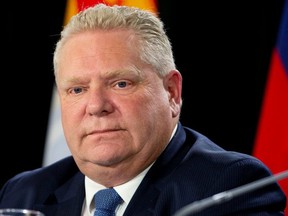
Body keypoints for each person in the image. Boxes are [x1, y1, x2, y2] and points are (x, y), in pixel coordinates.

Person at [0, 3, 286, 216]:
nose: (97, 106)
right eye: (77, 89)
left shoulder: (227, 189)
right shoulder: (23, 195)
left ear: (172, 92)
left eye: (121, 83)